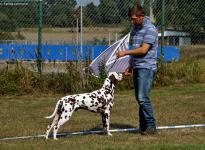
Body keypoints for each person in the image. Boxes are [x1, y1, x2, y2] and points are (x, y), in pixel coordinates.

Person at [117, 4, 158, 135]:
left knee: (142, 97)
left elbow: (143, 50)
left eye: (134, 19)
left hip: (147, 67)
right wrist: (130, 65)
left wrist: (125, 53)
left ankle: (151, 127)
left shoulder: (150, 29)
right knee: (139, 97)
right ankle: (143, 126)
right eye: (131, 19)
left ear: (142, 16)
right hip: (137, 66)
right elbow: (135, 48)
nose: (132, 21)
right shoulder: (134, 29)